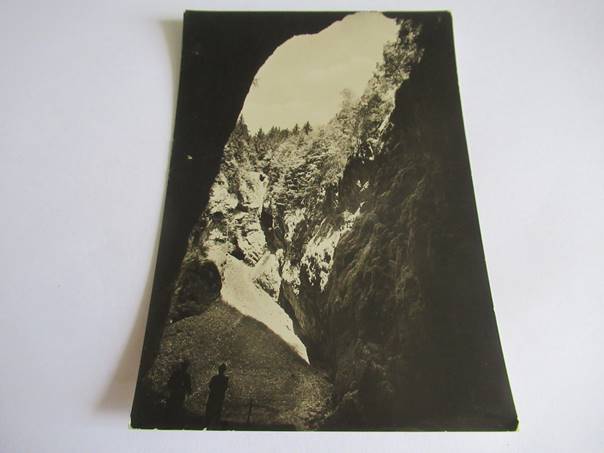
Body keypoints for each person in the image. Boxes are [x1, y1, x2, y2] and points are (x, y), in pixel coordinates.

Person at [165, 360, 192, 427]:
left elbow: (169, 383)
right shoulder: (184, 375)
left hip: (177, 393)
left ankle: (171, 420)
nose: (185, 367)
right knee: (175, 406)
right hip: (178, 393)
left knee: (174, 406)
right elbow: (188, 386)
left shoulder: (178, 374)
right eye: (185, 366)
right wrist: (189, 392)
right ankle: (172, 420)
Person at [205, 363, 229, 428]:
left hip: (213, 395)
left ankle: (209, 423)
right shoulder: (225, 378)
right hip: (219, 396)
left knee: (211, 409)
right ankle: (215, 423)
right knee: (218, 410)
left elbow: (210, 386)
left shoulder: (214, 377)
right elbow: (225, 388)